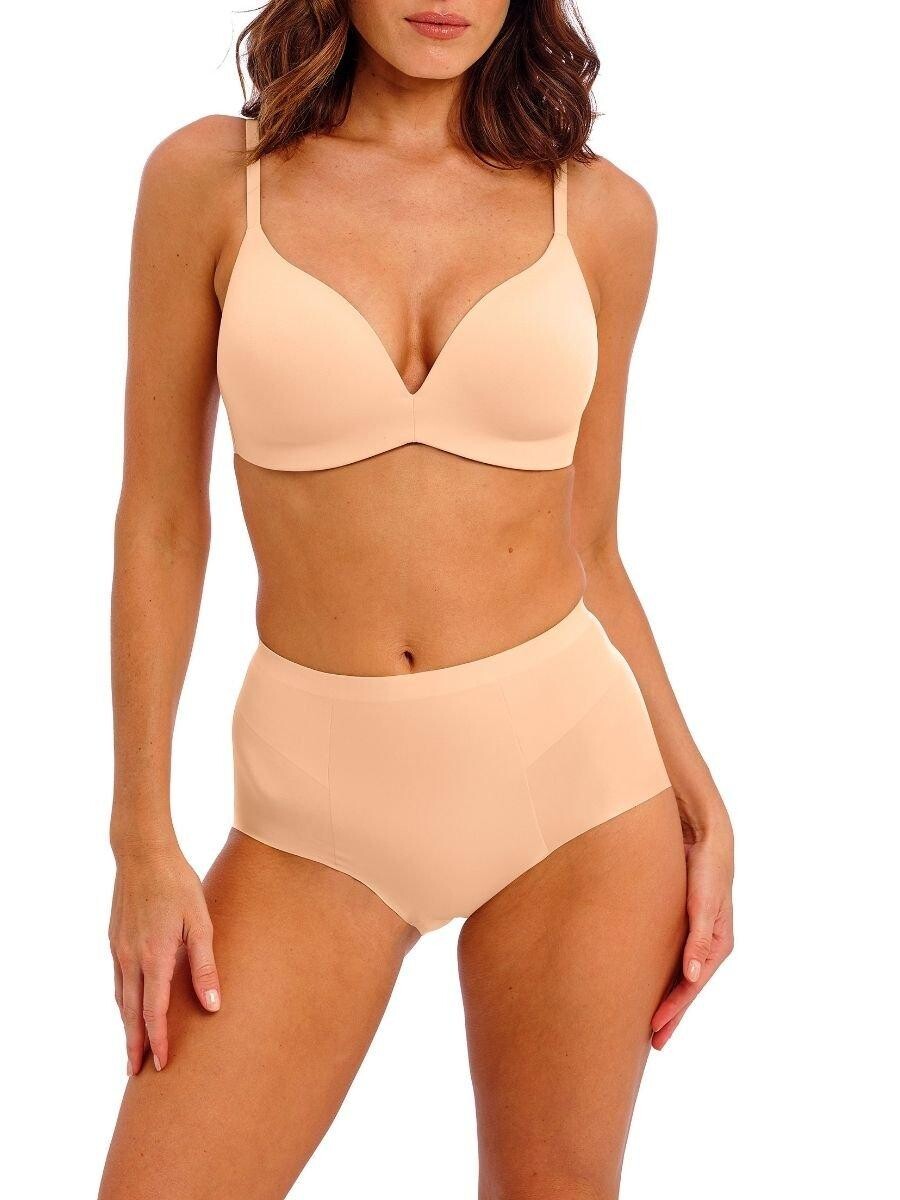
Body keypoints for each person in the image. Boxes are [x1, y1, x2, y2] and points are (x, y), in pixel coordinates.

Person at [101, 3, 734, 1197]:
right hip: (311, 812)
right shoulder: (210, 181)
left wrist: (699, 802)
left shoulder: (603, 215)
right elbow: (161, 521)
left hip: (578, 795)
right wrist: (141, 834)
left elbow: (592, 545)